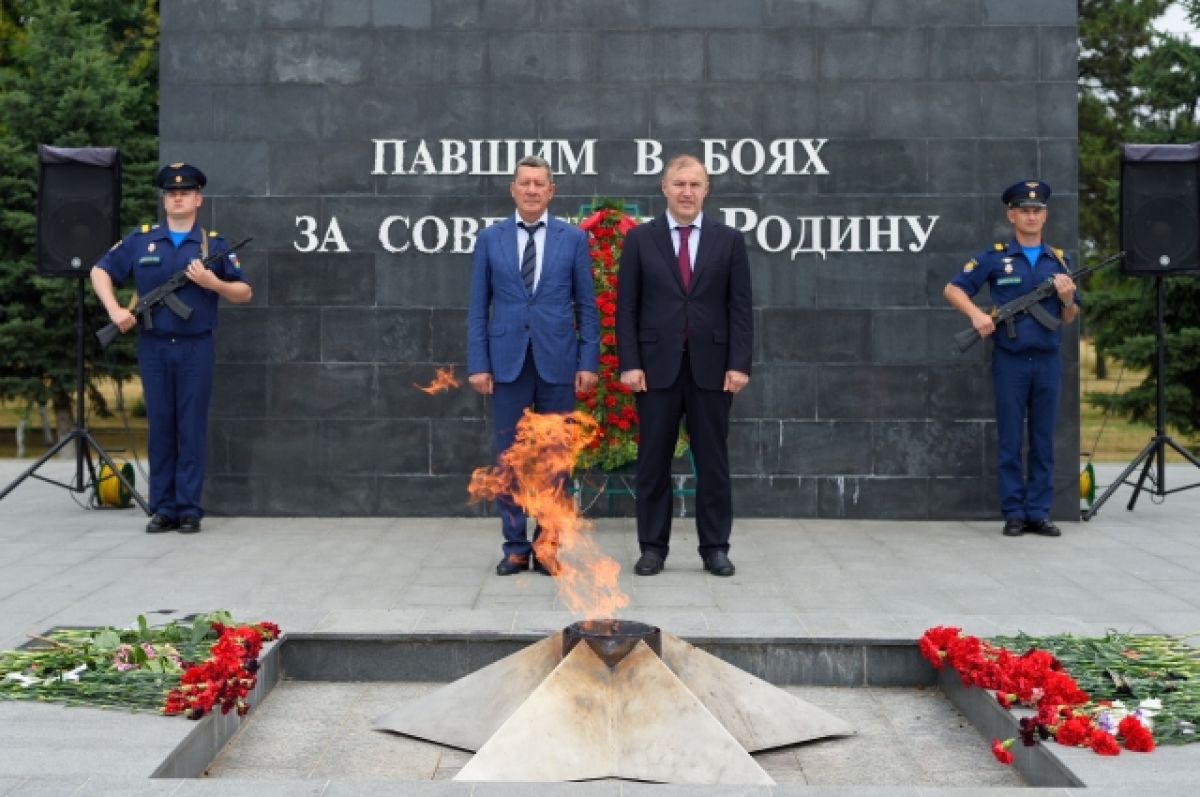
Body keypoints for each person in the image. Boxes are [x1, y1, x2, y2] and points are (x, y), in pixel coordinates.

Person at [91, 163, 252, 534]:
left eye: (185, 193)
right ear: (164, 201)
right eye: (171, 193)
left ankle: (189, 509)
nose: (177, 198)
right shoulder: (141, 240)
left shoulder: (214, 245)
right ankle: (163, 508)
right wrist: (115, 310)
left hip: (196, 348)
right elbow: (100, 271)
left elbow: (244, 292)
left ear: (198, 199)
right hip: (155, 347)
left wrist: (212, 283)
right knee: (161, 426)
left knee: (191, 427)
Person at [616, 154, 754, 576]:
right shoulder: (640, 240)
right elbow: (626, 308)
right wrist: (630, 363)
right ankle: (652, 548)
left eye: (695, 184)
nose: (687, 192)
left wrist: (739, 364)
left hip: (712, 369)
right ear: (664, 188)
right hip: (654, 369)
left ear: (706, 190)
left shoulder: (728, 241)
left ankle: (715, 548)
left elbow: (740, 308)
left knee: (713, 463)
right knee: (652, 462)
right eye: (679, 184)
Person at [467, 155, 600, 576]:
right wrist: (478, 363)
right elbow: (478, 307)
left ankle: (547, 547)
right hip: (507, 364)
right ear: (513, 189)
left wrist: (588, 361)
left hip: (558, 363)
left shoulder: (572, 239)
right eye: (524, 183)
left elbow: (587, 305)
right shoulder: (490, 239)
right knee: (510, 458)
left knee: (555, 459)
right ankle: (515, 547)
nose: (531, 190)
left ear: (551, 191)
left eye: (539, 183)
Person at [943, 180, 1079, 538]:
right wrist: (977, 315)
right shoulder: (994, 258)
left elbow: (1069, 317)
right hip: (1011, 361)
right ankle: (1015, 512)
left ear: (1045, 216)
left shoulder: (1060, 261)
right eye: (1024, 210)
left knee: (1043, 441)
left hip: (1047, 361)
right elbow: (953, 289)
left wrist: (1067, 299)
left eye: (1037, 211)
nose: (1031, 216)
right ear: (1012, 215)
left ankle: (1039, 512)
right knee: (1010, 440)